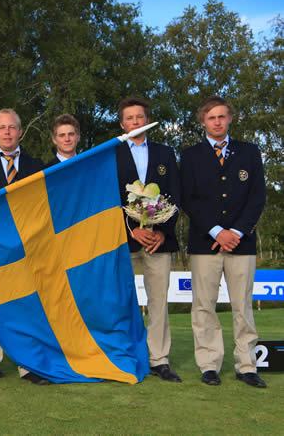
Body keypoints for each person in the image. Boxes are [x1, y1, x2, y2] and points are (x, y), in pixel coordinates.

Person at [180, 95, 266, 388]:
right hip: (205, 243)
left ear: (229, 118)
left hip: (242, 243)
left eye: (221, 116)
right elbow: (188, 199)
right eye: (211, 117)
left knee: (243, 307)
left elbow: (257, 197)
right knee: (204, 307)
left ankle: (247, 365)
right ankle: (209, 365)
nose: (217, 122)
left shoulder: (250, 152)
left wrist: (237, 232)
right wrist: (217, 231)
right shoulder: (190, 156)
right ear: (203, 122)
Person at [0, 108, 50, 387]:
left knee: (28, 306)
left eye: (12, 127)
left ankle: (29, 365)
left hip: (27, 247)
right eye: (2, 128)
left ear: (20, 132)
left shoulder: (36, 166)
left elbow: (41, 207)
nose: (7, 132)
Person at [115, 97, 182, 383]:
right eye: (129, 118)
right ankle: (126, 357)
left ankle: (159, 359)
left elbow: (176, 194)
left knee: (158, 302)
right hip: (124, 240)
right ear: (122, 124)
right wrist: (131, 229)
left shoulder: (165, 152)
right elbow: (107, 198)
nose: (135, 122)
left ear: (147, 120)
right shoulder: (112, 153)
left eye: (139, 117)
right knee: (122, 301)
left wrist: (162, 231)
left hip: (158, 240)